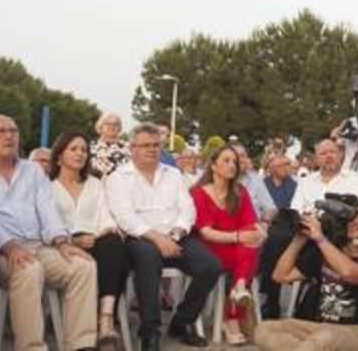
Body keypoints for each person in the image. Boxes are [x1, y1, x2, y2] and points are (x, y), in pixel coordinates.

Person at [0, 114, 98, 351]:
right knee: (28, 270)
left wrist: (62, 241)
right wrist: (8, 245)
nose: (9, 136)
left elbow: (48, 210)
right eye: (0, 132)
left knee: (82, 266)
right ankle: (31, 347)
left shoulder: (33, 171)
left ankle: (80, 345)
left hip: (39, 246)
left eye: (13, 131)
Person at [106, 123, 220, 350]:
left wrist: (177, 232)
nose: (151, 149)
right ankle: (150, 332)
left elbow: (187, 209)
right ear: (132, 148)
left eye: (156, 144)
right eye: (145, 145)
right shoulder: (119, 178)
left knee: (210, 265)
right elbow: (125, 217)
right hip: (140, 239)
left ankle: (181, 323)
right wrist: (158, 239)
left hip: (176, 236)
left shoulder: (174, 174)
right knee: (148, 260)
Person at [254, 199, 358, 351]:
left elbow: (349, 272)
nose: (355, 222)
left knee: (324, 338)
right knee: (265, 329)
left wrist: (320, 239)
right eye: (353, 217)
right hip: (320, 327)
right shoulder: (330, 249)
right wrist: (299, 240)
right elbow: (280, 276)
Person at [260, 139, 358, 319]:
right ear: (316, 159)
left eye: (332, 152)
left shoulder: (355, 179)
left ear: (340, 154)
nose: (329, 156)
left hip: (338, 234)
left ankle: (310, 301)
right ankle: (272, 300)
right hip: (307, 231)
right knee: (275, 238)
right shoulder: (306, 181)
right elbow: (296, 210)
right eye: (323, 153)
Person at [49, 131, 129, 349]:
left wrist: (102, 232)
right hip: (62, 245)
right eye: (73, 149)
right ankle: (98, 321)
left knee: (114, 243)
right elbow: (45, 224)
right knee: (114, 258)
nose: (80, 154)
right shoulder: (47, 186)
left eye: (84, 149)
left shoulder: (94, 183)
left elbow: (105, 216)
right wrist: (72, 241)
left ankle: (105, 318)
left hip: (96, 240)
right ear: (59, 156)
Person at [189, 146, 263, 345]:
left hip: (238, 248)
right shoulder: (198, 193)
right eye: (227, 160)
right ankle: (234, 311)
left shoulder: (240, 191)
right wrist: (240, 236)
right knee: (248, 249)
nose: (233, 165)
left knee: (252, 244)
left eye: (235, 162)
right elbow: (205, 232)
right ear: (213, 165)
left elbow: (250, 222)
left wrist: (258, 232)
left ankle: (238, 291)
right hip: (210, 248)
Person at [232, 143, 277, 222]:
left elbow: (270, 208)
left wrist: (266, 218)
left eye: (243, 156)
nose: (241, 159)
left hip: (255, 227)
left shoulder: (256, 180)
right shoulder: (220, 180)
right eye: (237, 156)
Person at [91, 112, 129, 177]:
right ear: (100, 126)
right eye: (108, 124)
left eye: (115, 124)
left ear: (119, 128)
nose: (112, 127)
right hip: (98, 185)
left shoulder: (129, 148)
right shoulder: (91, 148)